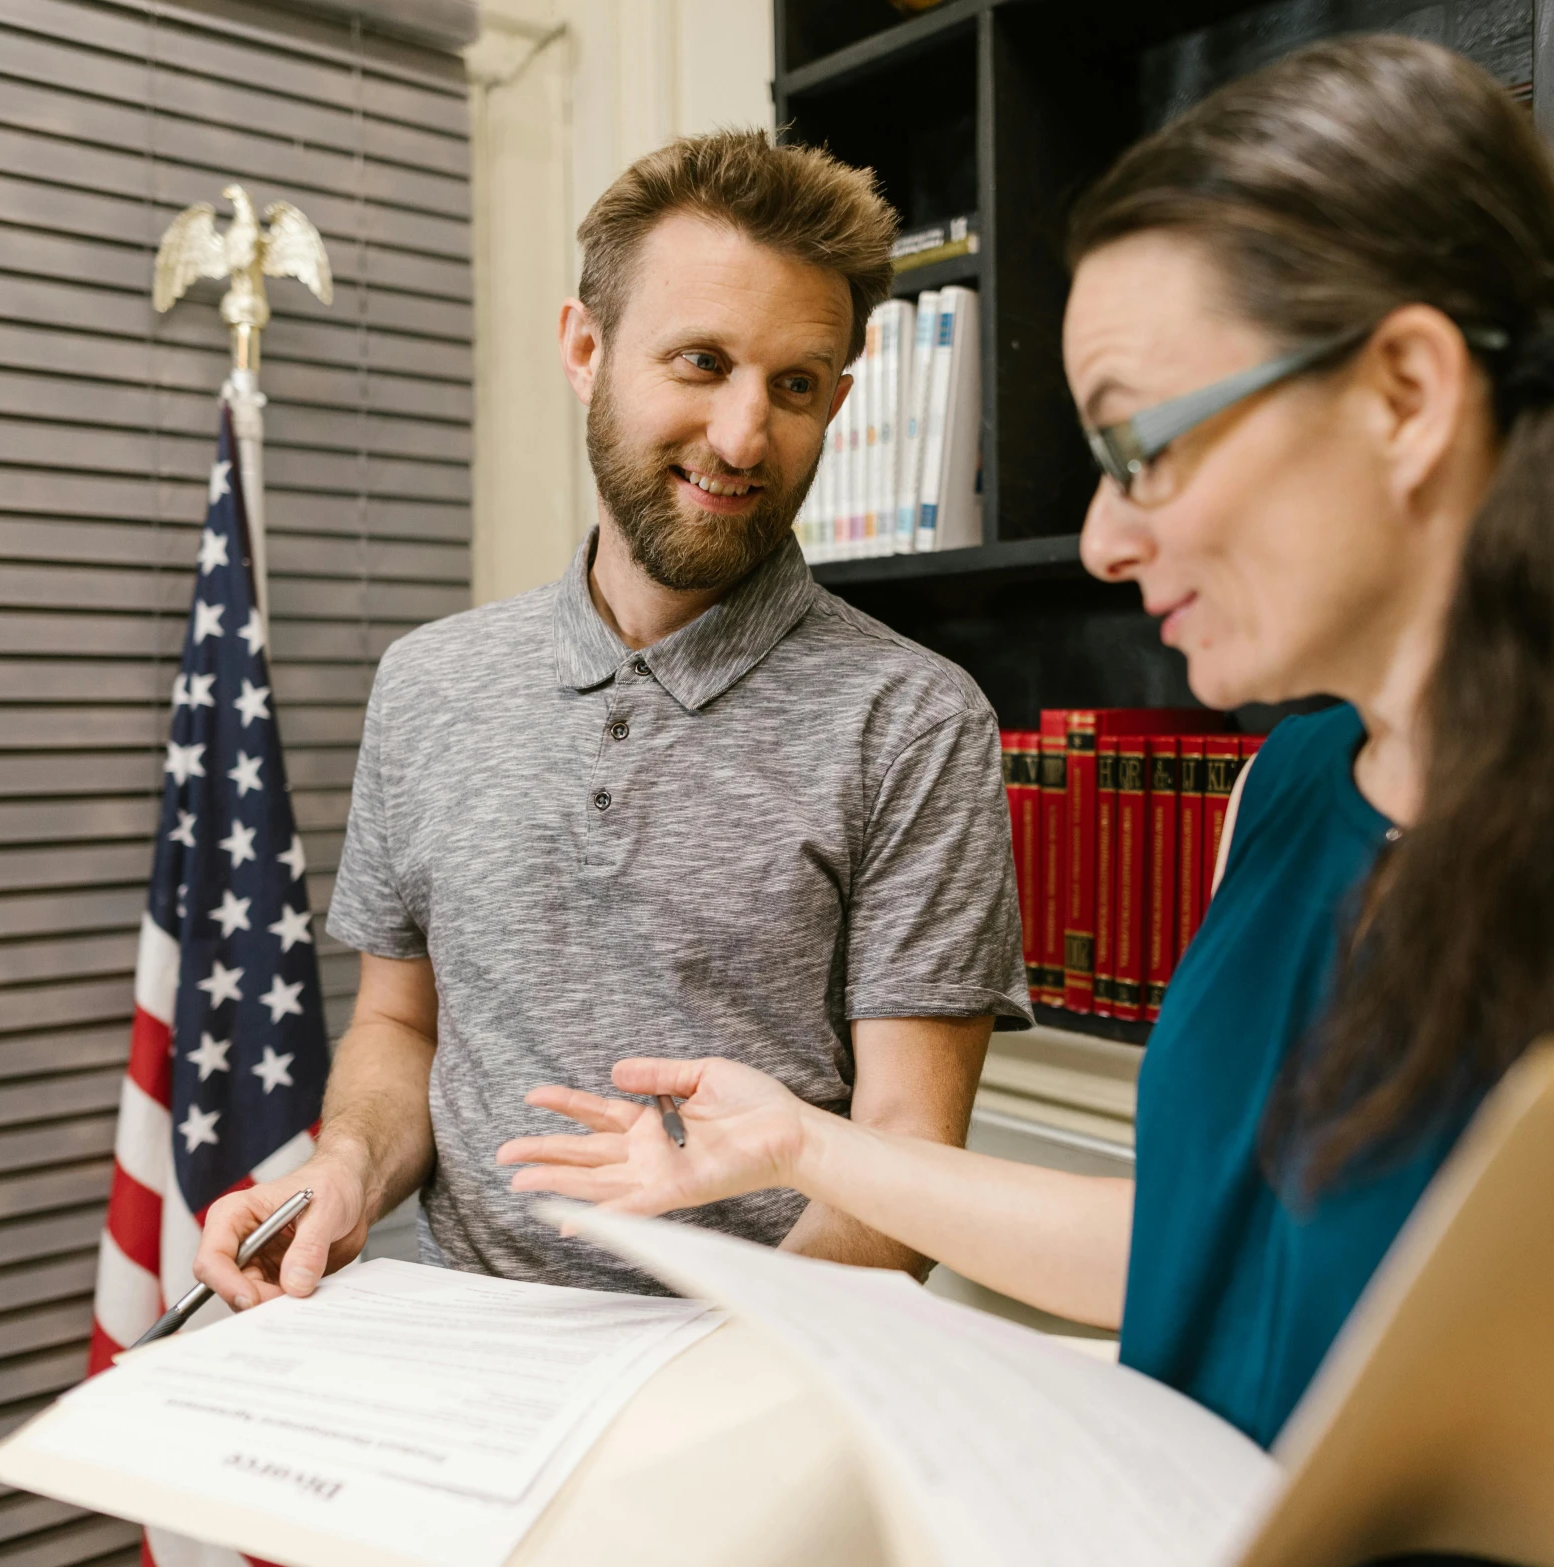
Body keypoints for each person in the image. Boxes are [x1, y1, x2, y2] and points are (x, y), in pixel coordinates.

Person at [497, 37, 1554, 1552]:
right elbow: (1206, 1245)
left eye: (1139, 445)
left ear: (1403, 392)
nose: (1099, 540)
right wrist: (806, 1145)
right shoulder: (1281, 795)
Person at [193, 131, 1029, 1304]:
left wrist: (720, 1387)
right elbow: (401, 1025)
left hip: (759, 1371)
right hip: (459, 1343)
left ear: (839, 398)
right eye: (700, 362)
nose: (744, 439)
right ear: (585, 348)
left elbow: (904, 1158)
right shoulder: (431, 681)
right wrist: (342, 1167)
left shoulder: (914, 720)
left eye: (795, 386)